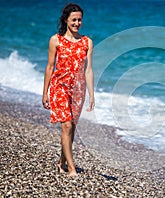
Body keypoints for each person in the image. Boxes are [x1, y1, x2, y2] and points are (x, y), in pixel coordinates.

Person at [42, 3, 94, 177]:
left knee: (71, 127)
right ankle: (72, 169)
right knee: (66, 125)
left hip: (78, 89)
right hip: (60, 86)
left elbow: (88, 70)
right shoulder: (55, 40)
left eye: (79, 20)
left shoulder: (87, 42)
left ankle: (62, 162)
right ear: (66, 20)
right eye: (74, 19)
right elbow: (50, 67)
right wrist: (45, 92)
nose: (77, 23)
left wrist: (92, 95)